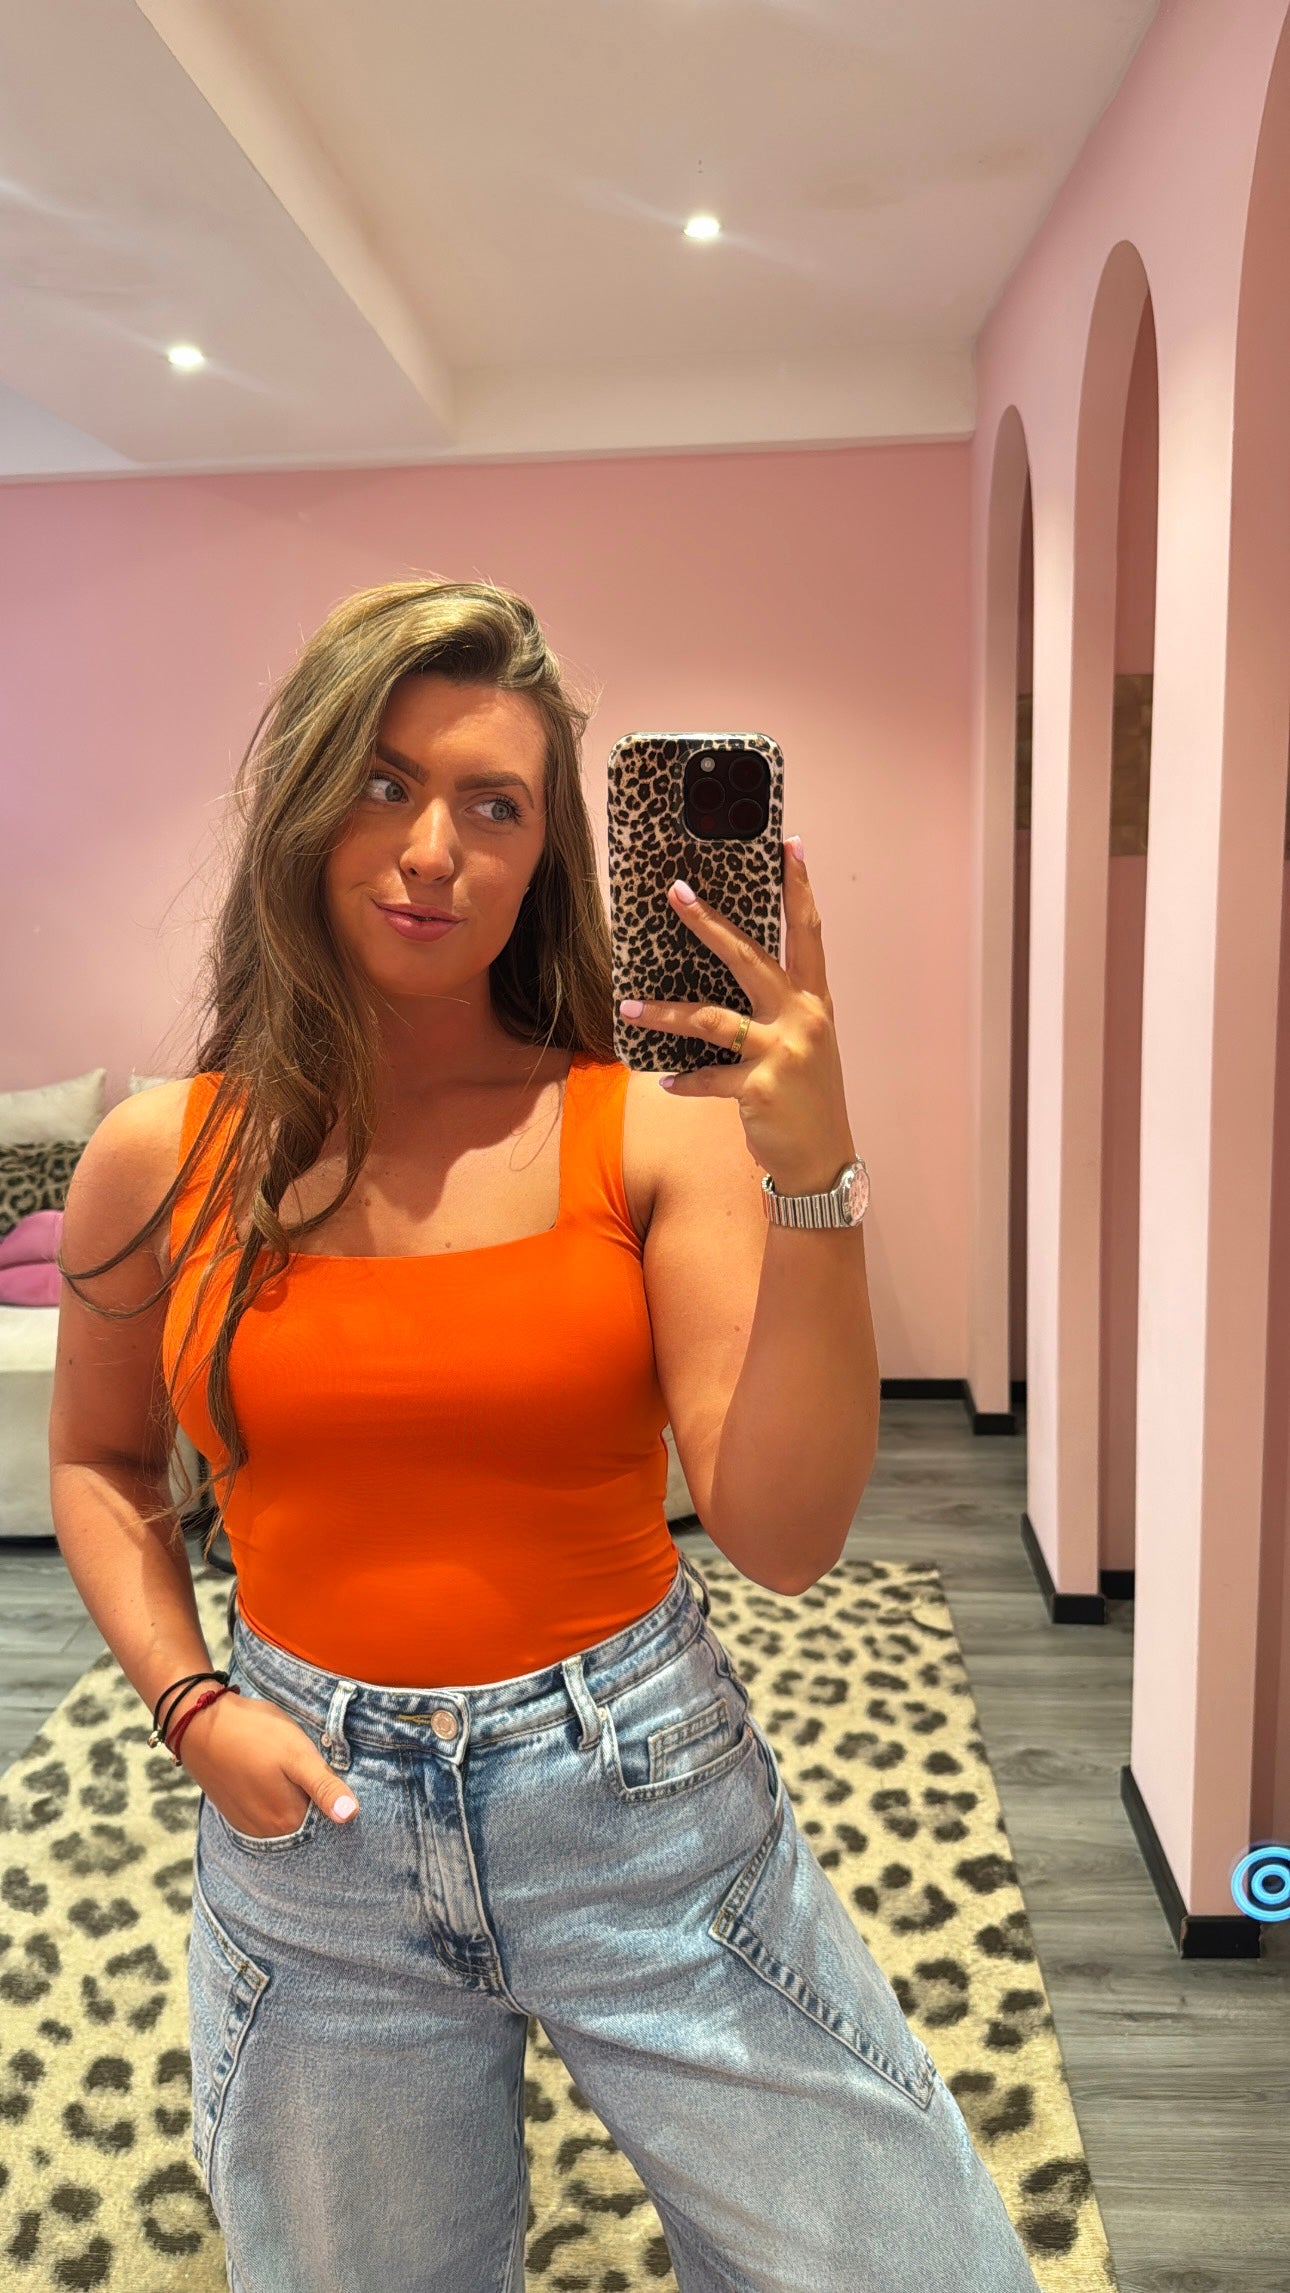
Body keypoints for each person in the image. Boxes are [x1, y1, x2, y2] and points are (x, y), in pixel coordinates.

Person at [49, 579, 1041, 2292]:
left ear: (544, 857)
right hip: (312, 1836)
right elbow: (97, 1460)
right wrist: (189, 1702)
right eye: (384, 781)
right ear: (302, 801)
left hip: (637, 1803)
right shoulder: (162, 1153)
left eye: (492, 805)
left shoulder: (645, 1126)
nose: (431, 848)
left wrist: (814, 1173)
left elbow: (784, 1537)